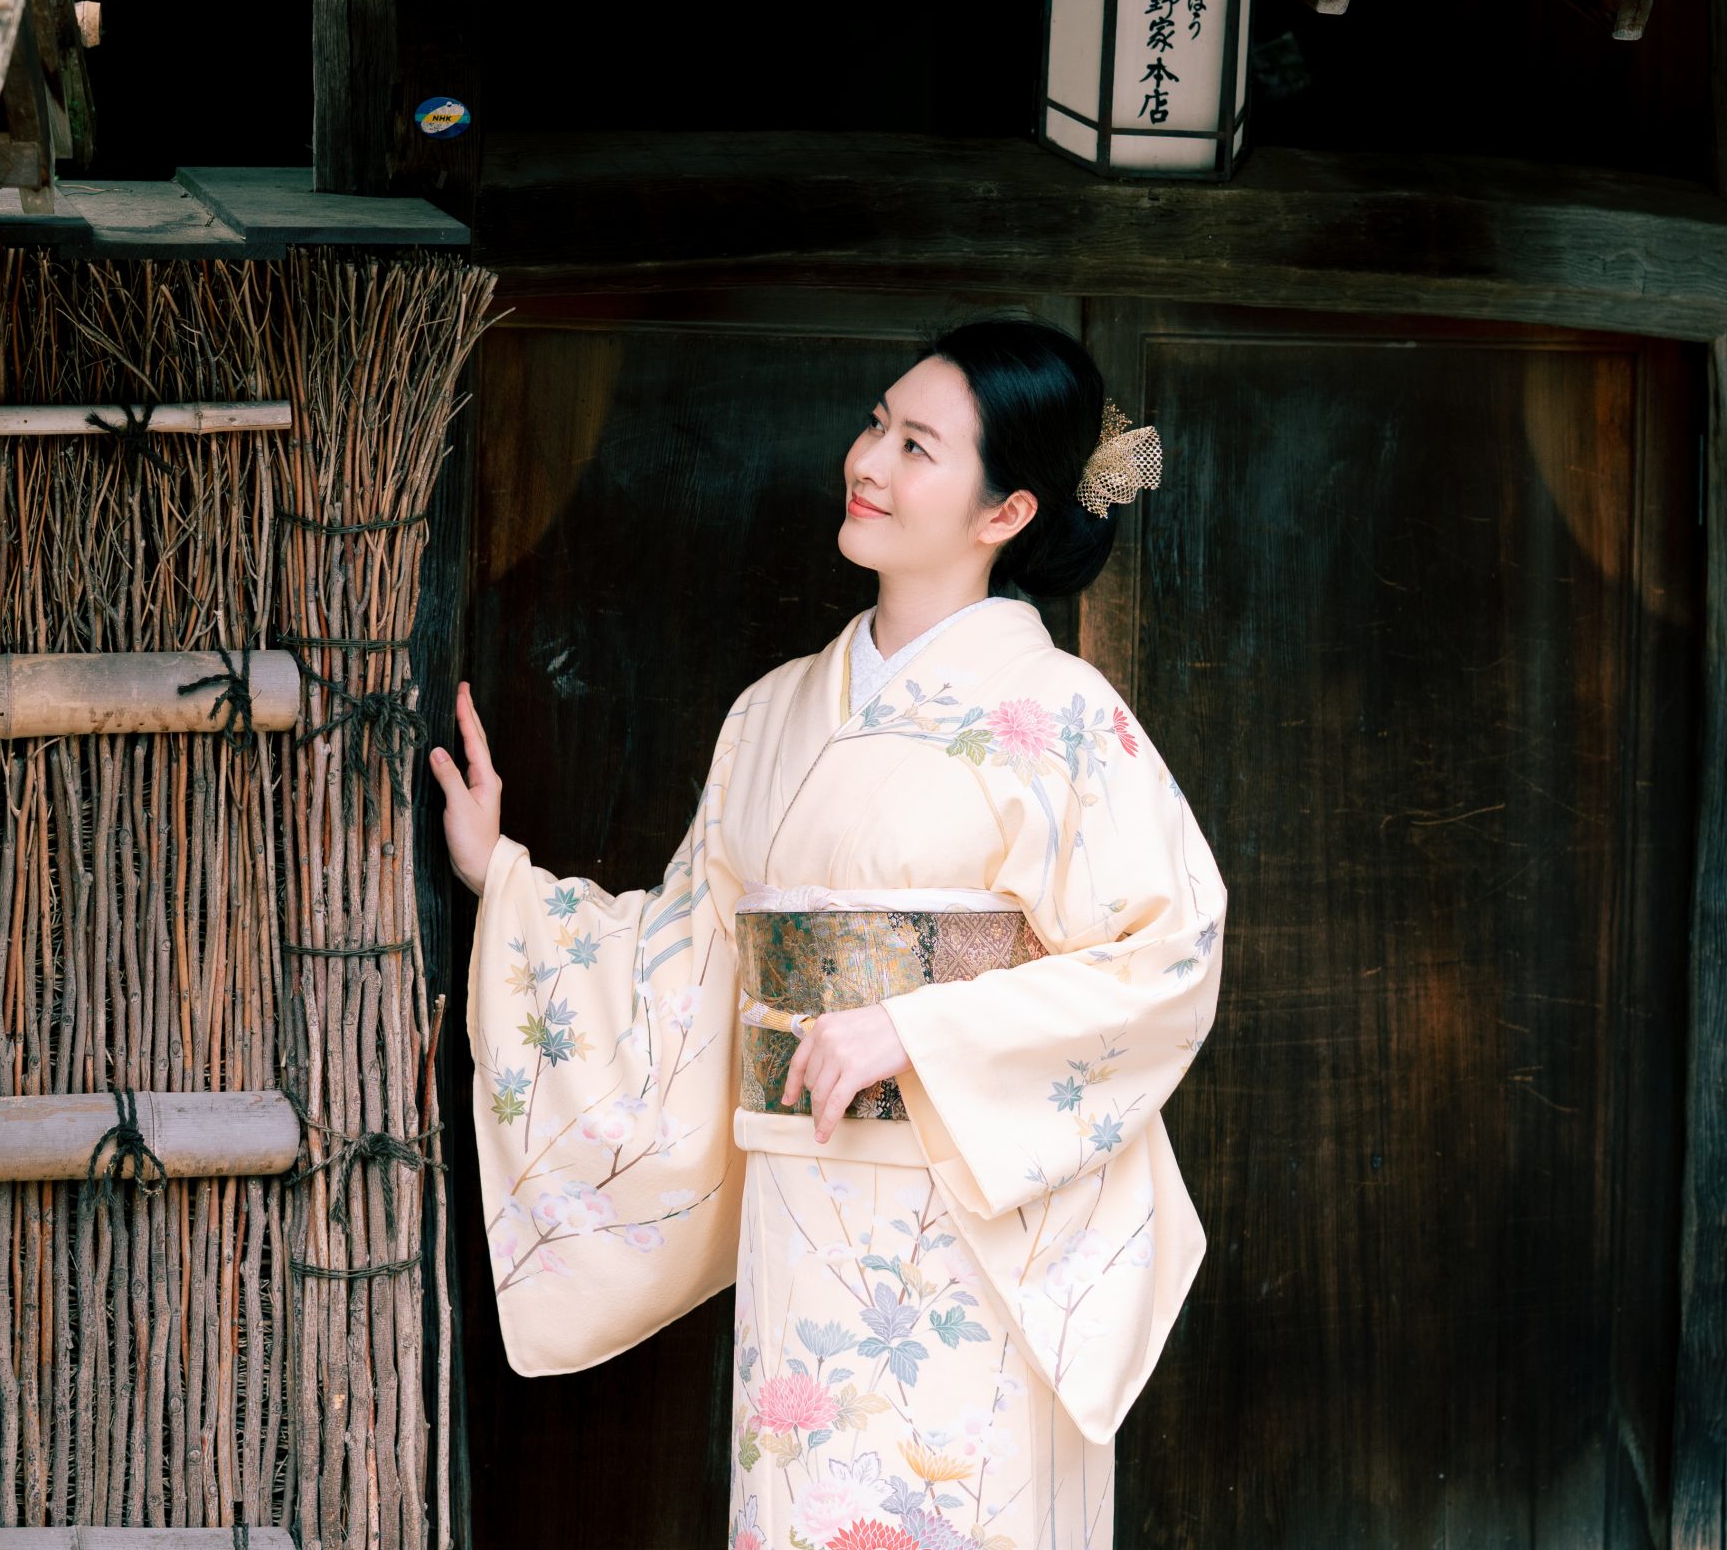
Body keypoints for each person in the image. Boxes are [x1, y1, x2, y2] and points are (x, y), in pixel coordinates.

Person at [427, 313, 1228, 1550]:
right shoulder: (772, 712)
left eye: (916, 446)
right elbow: (691, 956)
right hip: (802, 1206)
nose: (868, 461)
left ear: (1006, 511)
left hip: (973, 1227)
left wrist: (914, 1030)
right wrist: (508, 880)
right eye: (875, 424)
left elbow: (1163, 957)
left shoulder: (1060, 713)